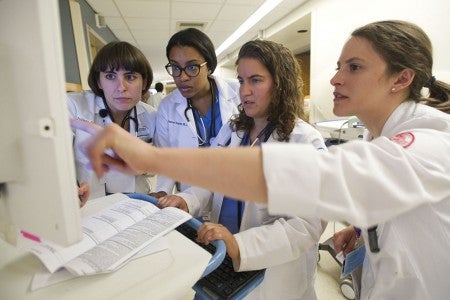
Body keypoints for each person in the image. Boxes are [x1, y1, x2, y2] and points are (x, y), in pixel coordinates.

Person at [71, 20, 450, 299]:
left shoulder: (423, 142)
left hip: (273, 281)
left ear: (401, 79)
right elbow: (219, 178)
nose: (335, 79)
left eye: (353, 67)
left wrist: (156, 158)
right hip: (228, 265)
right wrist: (188, 199)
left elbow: (308, 203)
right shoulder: (237, 130)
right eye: (338, 66)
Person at [160, 39, 326, 298]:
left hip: (270, 276)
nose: (245, 91)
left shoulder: (303, 141)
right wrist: (187, 199)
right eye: (241, 81)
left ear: (280, 84)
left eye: (256, 81)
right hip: (222, 259)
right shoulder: (233, 130)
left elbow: (304, 226)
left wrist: (240, 245)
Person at [150, 27, 240, 199]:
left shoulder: (239, 93)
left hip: (234, 193)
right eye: (175, 68)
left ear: (209, 67)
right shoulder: (167, 107)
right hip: (190, 195)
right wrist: (163, 191)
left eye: (192, 67)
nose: (182, 77)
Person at [68, 41, 156, 200]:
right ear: (98, 82)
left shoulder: (152, 116)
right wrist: (69, 187)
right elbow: (54, 158)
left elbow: (162, 163)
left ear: (144, 82)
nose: (121, 87)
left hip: (138, 203)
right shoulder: (74, 107)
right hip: (89, 205)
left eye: (130, 77)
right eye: (110, 76)